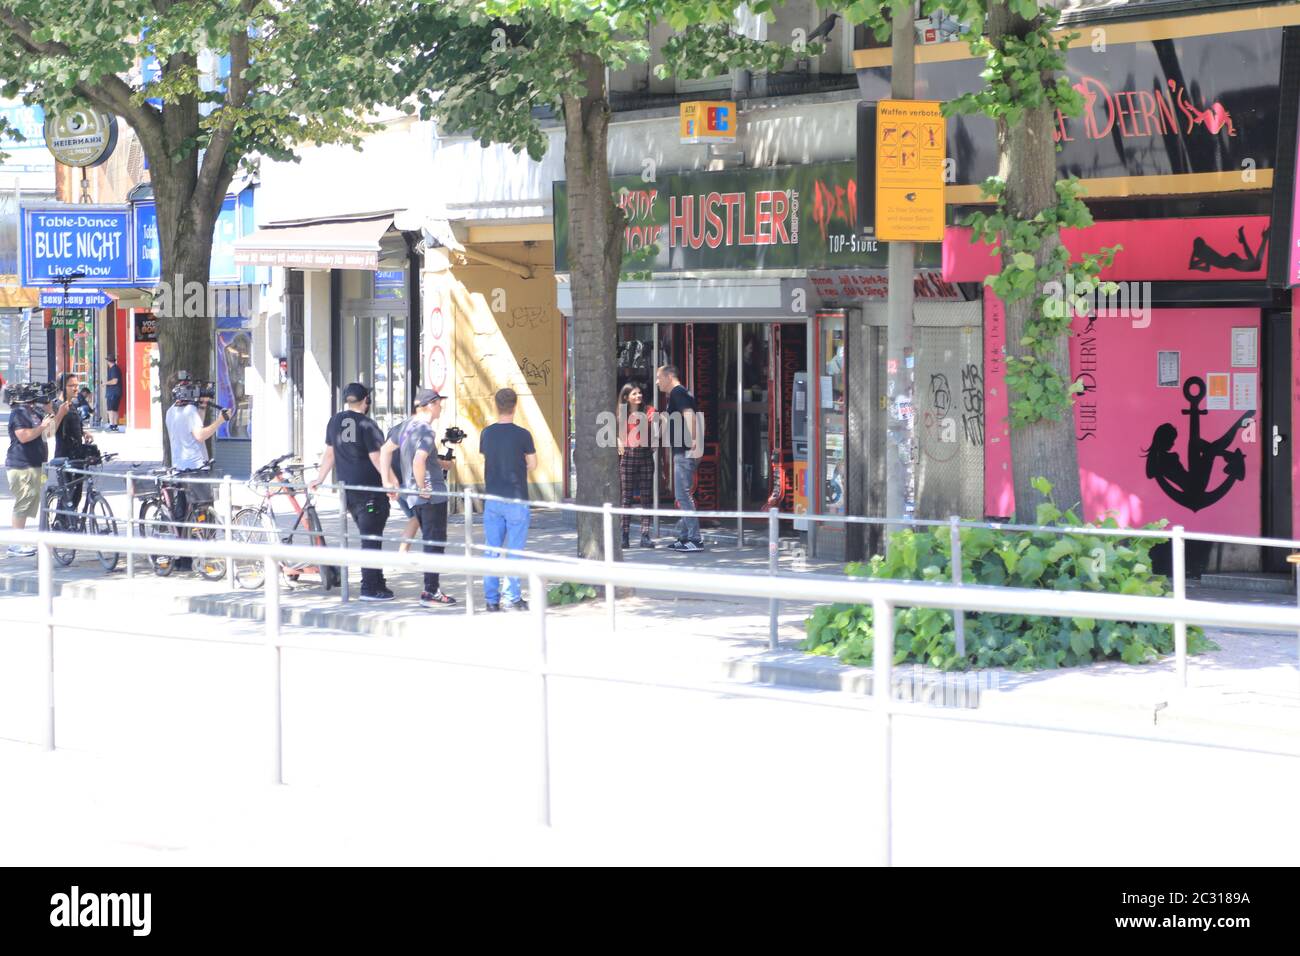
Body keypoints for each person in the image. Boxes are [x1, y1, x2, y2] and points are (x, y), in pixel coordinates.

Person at [311, 382, 392, 601]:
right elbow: (378, 458)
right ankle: (369, 588)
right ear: (366, 400)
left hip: (348, 491)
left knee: (370, 537)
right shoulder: (368, 425)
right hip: (370, 490)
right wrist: (390, 482)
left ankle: (377, 582)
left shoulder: (335, 421)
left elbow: (330, 453)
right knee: (371, 539)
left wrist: (319, 478)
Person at [479, 388, 537, 611]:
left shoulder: (487, 433)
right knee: (514, 550)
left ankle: (491, 600)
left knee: (491, 549)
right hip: (516, 498)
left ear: (496, 405)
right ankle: (512, 597)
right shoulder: (523, 435)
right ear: (515, 406)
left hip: (492, 498)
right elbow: (532, 464)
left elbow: (488, 457)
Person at [400, 387, 457, 607]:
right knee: (435, 544)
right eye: (439, 402)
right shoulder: (426, 430)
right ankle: (430, 592)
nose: (441, 406)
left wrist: (441, 464)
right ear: (430, 404)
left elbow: (388, 450)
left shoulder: (407, 427)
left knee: (430, 542)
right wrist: (423, 486)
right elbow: (418, 460)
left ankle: (431, 588)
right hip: (431, 497)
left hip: (416, 496)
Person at [165, 376, 227, 570]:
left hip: (178, 468)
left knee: (182, 513)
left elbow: (193, 425)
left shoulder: (171, 412)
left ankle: (182, 559)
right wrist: (220, 421)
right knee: (203, 511)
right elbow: (199, 435)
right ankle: (205, 555)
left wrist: (203, 407)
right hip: (196, 468)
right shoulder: (190, 411)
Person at [6, 383, 69, 557]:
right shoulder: (18, 414)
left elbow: (47, 433)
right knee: (24, 500)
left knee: (33, 499)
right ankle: (16, 544)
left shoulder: (33, 413)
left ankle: (20, 541)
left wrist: (58, 414)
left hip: (38, 464)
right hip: (22, 465)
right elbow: (24, 436)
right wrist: (42, 426)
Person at [655, 364, 704, 552]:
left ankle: (695, 538)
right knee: (683, 494)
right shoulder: (679, 394)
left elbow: (689, 415)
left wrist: (692, 440)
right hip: (682, 450)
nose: (657, 382)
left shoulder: (678, 393)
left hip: (684, 451)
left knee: (683, 495)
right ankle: (684, 537)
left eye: (659, 377)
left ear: (668, 376)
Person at [616, 382, 655, 549]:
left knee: (646, 497)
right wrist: (618, 441)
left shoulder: (649, 411)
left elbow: (657, 428)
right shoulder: (620, 414)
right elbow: (615, 433)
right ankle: (624, 535)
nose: (638, 396)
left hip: (645, 455)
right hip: (628, 455)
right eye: (634, 394)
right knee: (626, 497)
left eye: (639, 393)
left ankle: (645, 535)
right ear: (626, 397)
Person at [378, 410, 422, 555]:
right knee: (417, 517)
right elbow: (418, 459)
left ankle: (404, 551)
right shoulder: (417, 431)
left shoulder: (394, 430)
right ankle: (403, 551)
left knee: (415, 517)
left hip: (396, 482)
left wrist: (388, 479)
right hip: (407, 482)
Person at [53, 374, 93, 513]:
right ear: (62, 387)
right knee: (67, 495)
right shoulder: (57, 405)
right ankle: (60, 523)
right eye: (72, 385)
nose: (76, 388)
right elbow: (49, 432)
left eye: (77, 385)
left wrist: (84, 433)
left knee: (76, 493)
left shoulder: (73, 404)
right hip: (64, 456)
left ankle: (70, 522)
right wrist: (60, 414)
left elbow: (76, 425)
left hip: (77, 454)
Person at [104, 355, 122, 430]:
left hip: (113, 392)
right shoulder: (116, 368)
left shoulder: (114, 369)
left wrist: (105, 383)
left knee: (111, 409)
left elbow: (115, 381)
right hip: (115, 392)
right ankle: (114, 425)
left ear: (108, 361)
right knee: (114, 409)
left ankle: (112, 425)